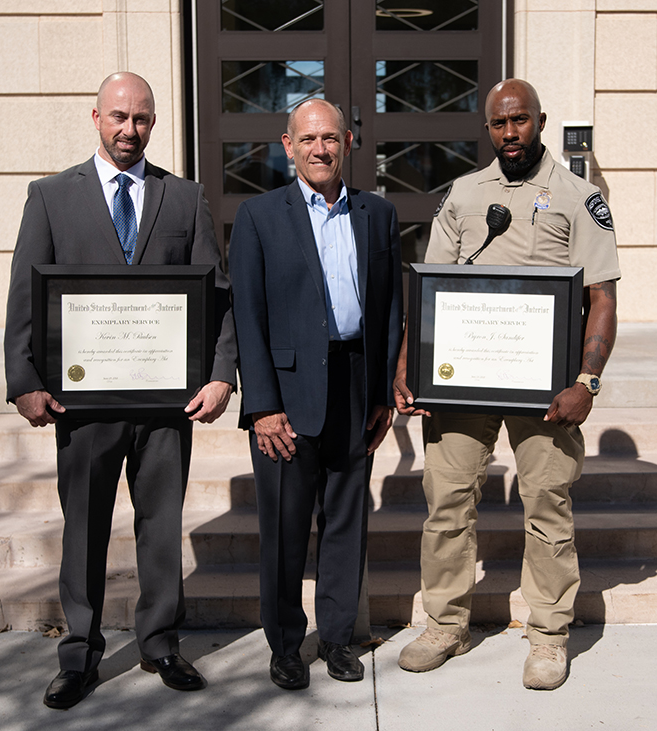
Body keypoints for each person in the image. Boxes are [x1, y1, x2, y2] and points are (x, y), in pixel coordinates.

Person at [3, 72, 238, 709]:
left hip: (166, 403)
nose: (129, 129)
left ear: (154, 123)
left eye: (141, 119)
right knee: (84, 527)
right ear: (96, 117)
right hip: (83, 401)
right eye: (118, 117)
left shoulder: (183, 198)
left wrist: (221, 373)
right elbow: (24, 292)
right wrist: (23, 381)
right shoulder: (51, 197)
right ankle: (78, 654)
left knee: (161, 524)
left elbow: (217, 298)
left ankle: (161, 641)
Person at [393, 79, 620, 690]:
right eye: (499, 124)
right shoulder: (464, 196)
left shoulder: (578, 197)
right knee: (447, 503)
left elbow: (602, 299)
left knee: (546, 506)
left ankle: (548, 636)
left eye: (520, 121)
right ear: (487, 129)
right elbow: (429, 288)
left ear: (540, 121)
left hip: (545, 391)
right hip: (464, 379)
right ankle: (445, 623)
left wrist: (587, 383)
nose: (510, 133)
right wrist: (409, 366)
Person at [229, 98, 403, 690]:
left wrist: (382, 392)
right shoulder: (258, 216)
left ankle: (335, 637)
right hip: (287, 393)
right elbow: (247, 316)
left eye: (330, 138)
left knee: (346, 521)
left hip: (356, 384)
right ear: (287, 145)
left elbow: (389, 309)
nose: (319, 149)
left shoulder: (378, 216)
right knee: (283, 526)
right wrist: (262, 405)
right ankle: (283, 644)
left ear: (348, 143)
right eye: (307, 140)